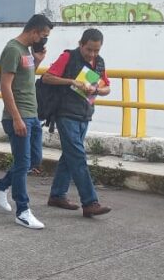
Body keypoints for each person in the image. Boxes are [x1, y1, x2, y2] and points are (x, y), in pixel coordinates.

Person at [0, 14, 52, 230]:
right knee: (23, 162)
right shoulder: (12, 50)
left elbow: (25, 79)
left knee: (34, 158)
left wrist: (38, 61)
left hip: (32, 115)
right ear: (34, 32)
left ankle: (0, 186)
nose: (43, 40)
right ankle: (23, 210)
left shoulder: (26, 52)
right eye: (43, 35)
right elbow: (5, 86)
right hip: (19, 115)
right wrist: (16, 117)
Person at [41, 29, 113, 218]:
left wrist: (96, 89)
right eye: (89, 49)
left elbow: (106, 87)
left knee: (70, 155)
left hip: (84, 114)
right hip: (65, 113)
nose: (92, 54)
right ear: (81, 44)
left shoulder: (99, 63)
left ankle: (57, 195)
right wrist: (71, 81)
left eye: (96, 51)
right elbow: (47, 77)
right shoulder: (68, 57)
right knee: (78, 157)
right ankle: (90, 202)